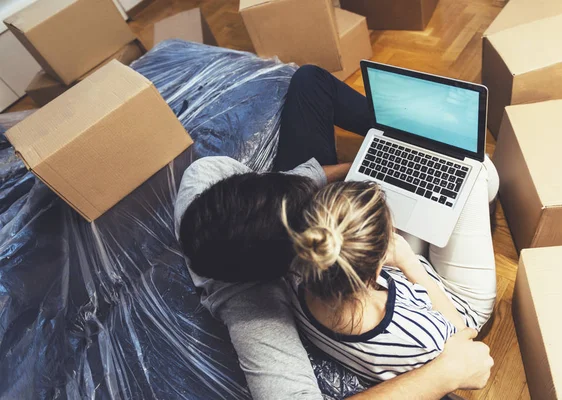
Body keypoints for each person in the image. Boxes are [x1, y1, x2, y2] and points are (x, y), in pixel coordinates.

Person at [175, 65, 494, 398]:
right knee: (476, 166)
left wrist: (366, 161)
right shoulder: (258, 309)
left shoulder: (206, 194)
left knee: (310, 80)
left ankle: (403, 149)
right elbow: (457, 333)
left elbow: (291, 183)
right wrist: (409, 263)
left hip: (399, 279)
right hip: (448, 299)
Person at [281, 175, 496, 382]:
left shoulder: (293, 276)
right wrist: (409, 263)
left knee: (435, 189)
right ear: (376, 266)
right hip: (456, 302)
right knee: (477, 174)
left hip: (402, 279)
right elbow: (463, 334)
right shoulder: (420, 338)